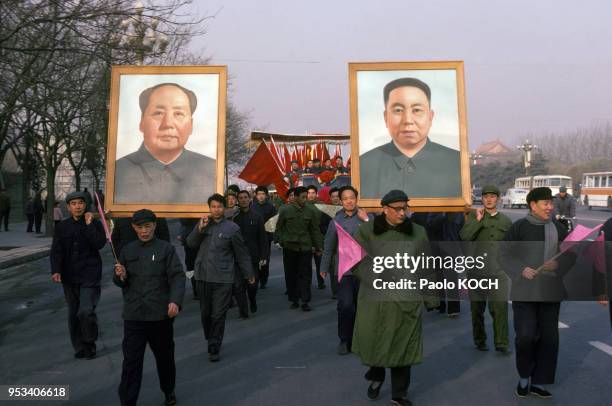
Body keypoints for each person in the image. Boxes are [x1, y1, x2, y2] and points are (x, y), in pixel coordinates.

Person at [352, 190, 433, 406]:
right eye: (397, 209)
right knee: (377, 342)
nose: (402, 212)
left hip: (406, 299)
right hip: (375, 299)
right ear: (384, 209)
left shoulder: (418, 232)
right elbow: (356, 260)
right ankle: (376, 376)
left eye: (405, 208)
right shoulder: (368, 231)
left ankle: (399, 394)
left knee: (403, 345)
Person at [502, 187, 576, 399]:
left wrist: (558, 266)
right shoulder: (519, 228)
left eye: (551, 203)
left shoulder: (559, 228)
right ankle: (524, 377)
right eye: (546, 203)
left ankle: (540, 382)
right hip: (524, 292)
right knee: (525, 336)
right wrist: (520, 269)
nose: (550, 207)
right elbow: (504, 254)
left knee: (548, 338)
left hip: (550, 291)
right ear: (533, 205)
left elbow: (570, 255)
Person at [113, 209, 185, 406]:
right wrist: (120, 275)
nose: (144, 231)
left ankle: (168, 390)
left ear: (154, 226)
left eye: (147, 226)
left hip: (160, 314)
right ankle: (128, 401)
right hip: (134, 315)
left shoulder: (166, 249)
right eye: (139, 227)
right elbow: (120, 282)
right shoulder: (127, 250)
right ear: (134, 228)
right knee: (131, 362)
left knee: (165, 358)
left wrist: (175, 301)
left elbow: (177, 276)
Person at [359, 77, 461, 199]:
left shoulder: (455, 162)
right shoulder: (364, 164)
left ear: (430, 116)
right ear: (386, 117)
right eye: (398, 110)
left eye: (417, 110)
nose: (407, 120)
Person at [114, 83, 216, 204]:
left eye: (178, 114)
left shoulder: (210, 169)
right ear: (141, 122)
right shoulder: (119, 170)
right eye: (158, 113)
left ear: (191, 126)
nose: (167, 123)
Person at [187, 194, 255, 362]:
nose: (216, 210)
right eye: (213, 206)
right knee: (206, 314)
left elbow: (242, 253)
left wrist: (249, 273)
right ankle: (211, 337)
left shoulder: (232, 228)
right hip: (203, 277)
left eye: (219, 206)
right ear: (209, 208)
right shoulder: (203, 224)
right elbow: (190, 244)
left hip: (223, 278)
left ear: (224, 208)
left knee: (218, 314)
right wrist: (199, 229)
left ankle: (214, 345)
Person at [50, 191, 107, 359]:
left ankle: (90, 343)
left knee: (86, 311)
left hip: (90, 274)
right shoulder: (62, 227)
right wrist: (56, 270)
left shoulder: (94, 224)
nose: (77, 206)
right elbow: (56, 251)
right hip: (69, 276)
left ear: (85, 205)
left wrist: (89, 225)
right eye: (73, 204)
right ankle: (79, 346)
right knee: (73, 314)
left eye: (80, 203)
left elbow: (99, 244)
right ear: (68, 207)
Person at [320, 186, 373, 355]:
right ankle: (344, 339)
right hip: (344, 271)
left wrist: (366, 221)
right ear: (341, 201)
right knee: (346, 305)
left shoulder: (367, 217)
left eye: (352, 197)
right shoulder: (335, 221)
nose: (349, 201)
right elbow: (328, 246)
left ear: (357, 199)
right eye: (345, 198)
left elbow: (378, 237)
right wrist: (323, 267)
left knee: (364, 307)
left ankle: (362, 340)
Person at [459, 185, 512, 354]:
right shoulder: (475, 217)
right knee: (477, 310)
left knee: (500, 309)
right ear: (481, 199)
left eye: (493, 196)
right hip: (476, 272)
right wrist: (477, 221)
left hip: (499, 273)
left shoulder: (505, 221)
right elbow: (464, 236)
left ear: (498, 199)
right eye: (486, 196)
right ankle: (480, 340)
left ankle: (501, 343)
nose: (489, 199)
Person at [275, 186, 323, 311]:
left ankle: (305, 300)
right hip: (290, 247)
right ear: (295, 197)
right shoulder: (285, 210)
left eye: (305, 197)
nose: (304, 199)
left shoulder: (310, 211)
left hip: (305, 247)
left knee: (306, 274)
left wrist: (318, 246)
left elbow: (314, 230)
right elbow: (278, 227)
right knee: (291, 274)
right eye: (302, 197)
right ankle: (294, 299)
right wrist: (281, 241)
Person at [233, 190, 267, 314]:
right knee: (238, 286)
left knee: (252, 285)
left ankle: (252, 299)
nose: (243, 200)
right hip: (236, 256)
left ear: (249, 199)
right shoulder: (233, 217)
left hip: (253, 256)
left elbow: (262, 238)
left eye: (245, 197)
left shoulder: (257, 216)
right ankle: (243, 310)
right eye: (240, 198)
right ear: (238, 200)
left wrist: (263, 256)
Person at [250, 186, 277, 289]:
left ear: (266, 195)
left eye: (263, 194)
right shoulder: (252, 207)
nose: (261, 196)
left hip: (266, 238)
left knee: (265, 259)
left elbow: (273, 222)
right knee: (255, 259)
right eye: (259, 194)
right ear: (255, 195)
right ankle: (255, 278)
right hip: (254, 238)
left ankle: (263, 280)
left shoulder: (271, 207)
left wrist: (272, 236)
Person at [306, 185, 327, 290]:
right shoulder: (303, 205)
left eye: (313, 192)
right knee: (307, 264)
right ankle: (307, 283)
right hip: (307, 239)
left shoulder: (321, 205)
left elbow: (325, 223)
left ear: (316, 193)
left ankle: (321, 282)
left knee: (319, 263)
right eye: (309, 193)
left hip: (318, 238)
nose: (311, 195)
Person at [177, 218, 200, 299]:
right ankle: (197, 291)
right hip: (190, 241)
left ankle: (197, 291)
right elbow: (184, 221)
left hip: (194, 240)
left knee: (192, 266)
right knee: (191, 266)